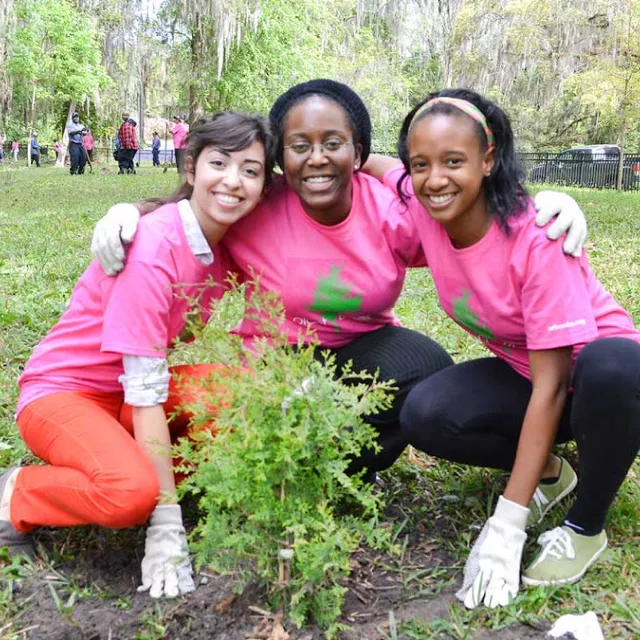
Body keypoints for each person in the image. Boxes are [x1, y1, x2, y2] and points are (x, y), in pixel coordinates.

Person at [91, 79, 588, 479]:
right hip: (272, 360)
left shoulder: (394, 210)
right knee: (230, 429)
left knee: (427, 370)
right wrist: (131, 210)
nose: (317, 158)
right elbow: (200, 206)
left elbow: (469, 209)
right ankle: (272, 460)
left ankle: (337, 471)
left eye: (334, 144)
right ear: (280, 158)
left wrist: (541, 205)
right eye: (299, 146)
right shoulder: (260, 205)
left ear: (358, 151)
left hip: (360, 347)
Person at [366, 89, 640, 608]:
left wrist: (507, 526)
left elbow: (555, 386)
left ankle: (586, 524)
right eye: (420, 163)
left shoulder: (536, 237)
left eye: (453, 161)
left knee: (611, 365)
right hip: (532, 376)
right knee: (426, 413)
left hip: (606, 388)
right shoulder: (426, 203)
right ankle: (553, 475)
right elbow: (372, 161)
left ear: (488, 160)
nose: (435, 178)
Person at [0, 112, 274, 600]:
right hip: (64, 395)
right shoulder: (153, 246)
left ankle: (142, 473)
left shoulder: (227, 243)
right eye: (220, 163)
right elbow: (146, 385)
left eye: (251, 170)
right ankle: (17, 492)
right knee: (128, 495)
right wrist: (166, 522)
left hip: (129, 394)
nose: (233, 181)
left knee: (239, 393)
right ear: (191, 168)